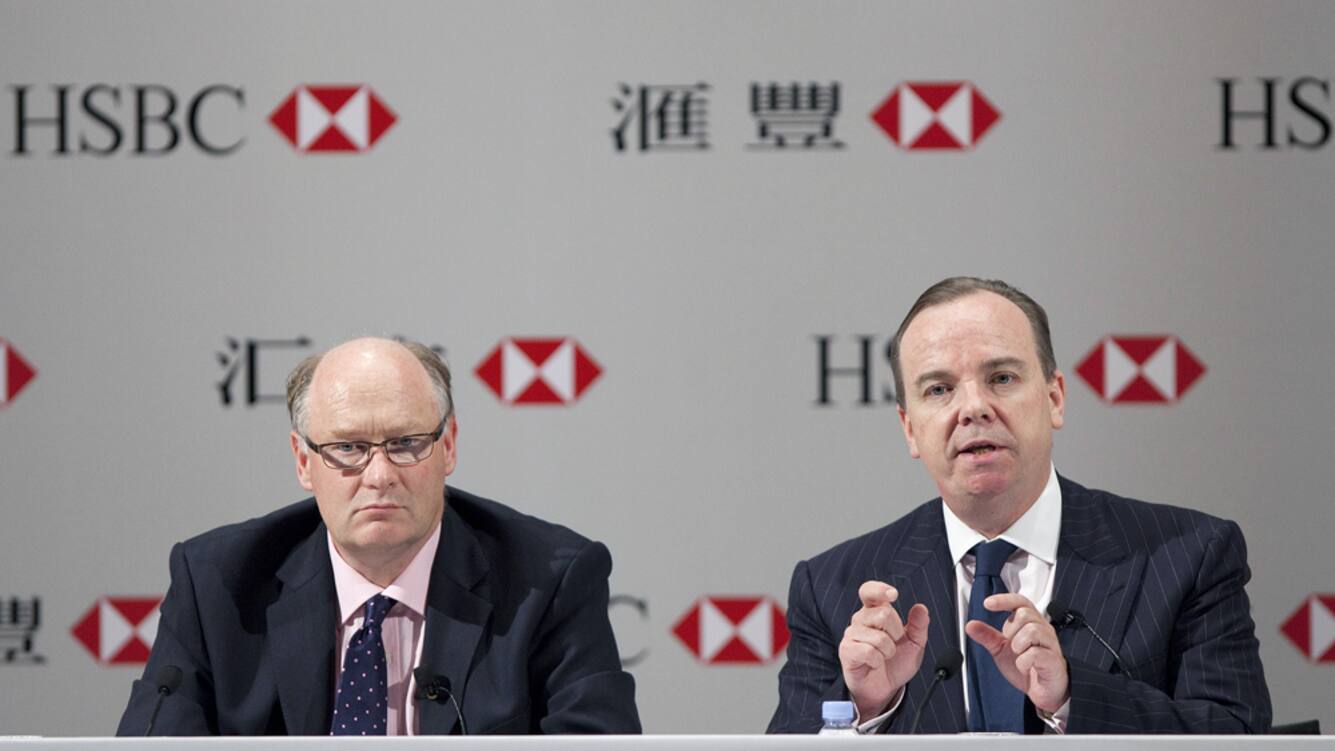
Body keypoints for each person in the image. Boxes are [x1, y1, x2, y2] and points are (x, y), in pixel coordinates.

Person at [768, 277, 1271, 734]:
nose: (973, 408)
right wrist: (867, 708)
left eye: (1002, 378)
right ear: (910, 429)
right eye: (939, 389)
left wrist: (1071, 697)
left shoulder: (1188, 555)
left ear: (1054, 398)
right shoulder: (833, 588)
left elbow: (1237, 735)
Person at [118, 337, 640, 735]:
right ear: (303, 460)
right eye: (347, 448)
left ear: (448, 446)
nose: (379, 475)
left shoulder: (548, 582)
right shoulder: (216, 583)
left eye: (406, 443)